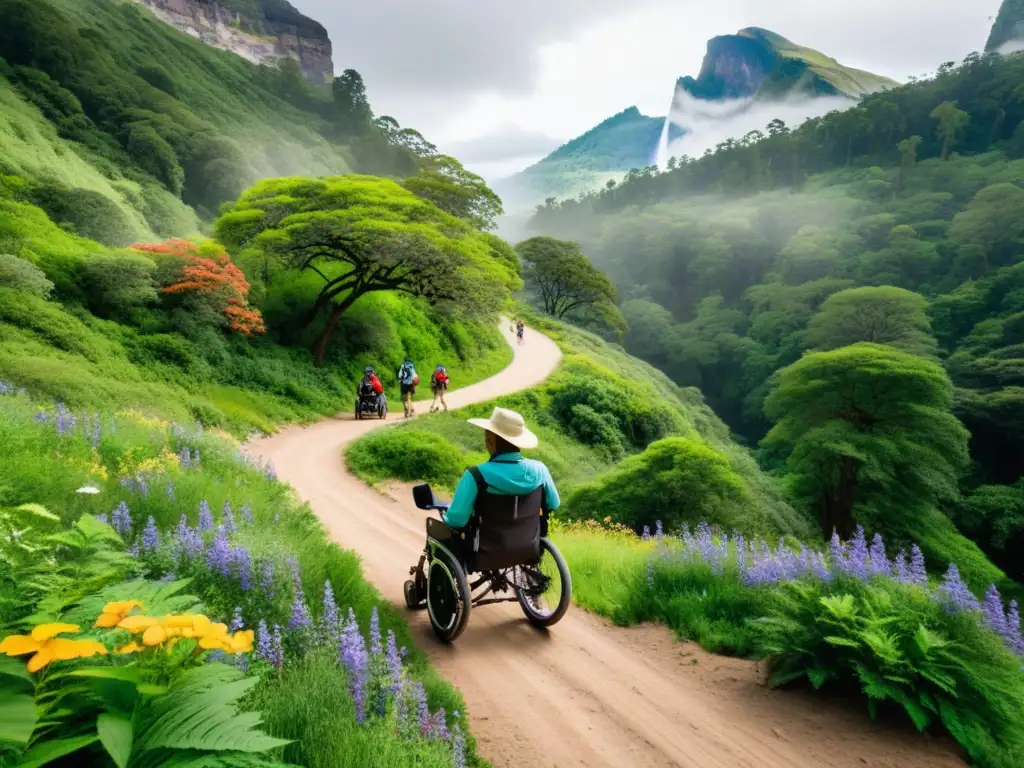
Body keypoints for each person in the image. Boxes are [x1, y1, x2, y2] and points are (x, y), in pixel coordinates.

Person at [443, 407, 559, 532]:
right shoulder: (540, 470)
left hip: (485, 548)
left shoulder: (476, 475)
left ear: (490, 441)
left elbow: (456, 521)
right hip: (528, 547)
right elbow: (554, 504)